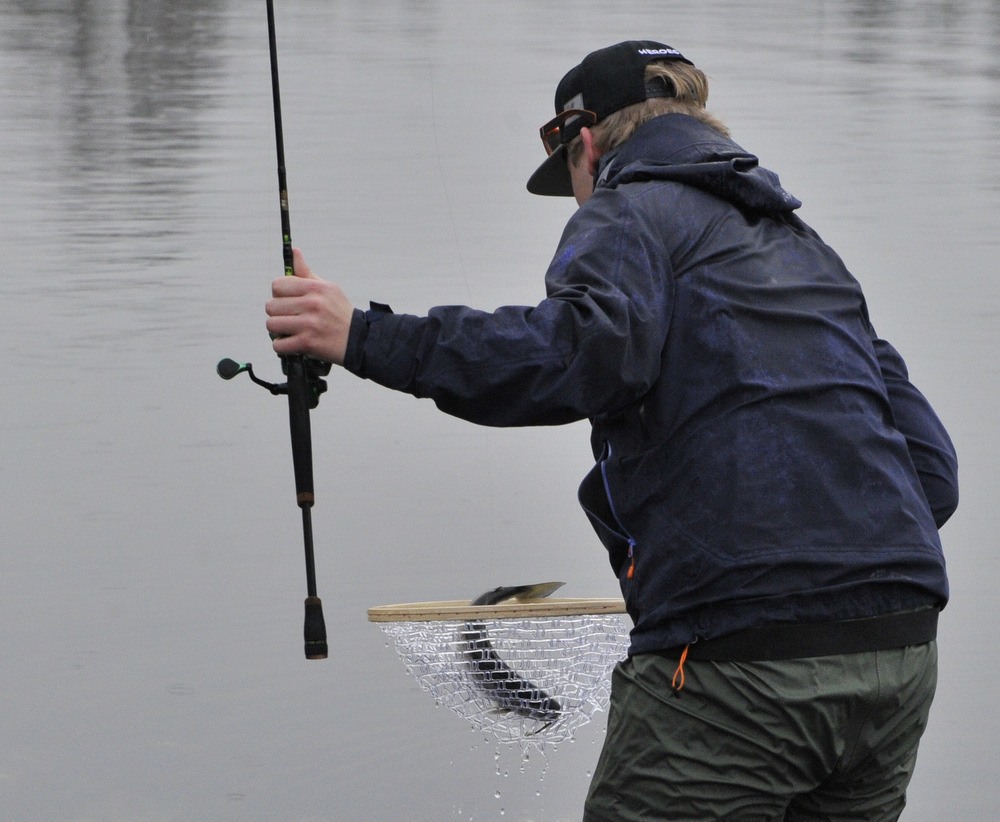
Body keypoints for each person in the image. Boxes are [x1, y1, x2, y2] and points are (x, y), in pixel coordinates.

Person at [266, 40, 958, 821]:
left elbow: (577, 355)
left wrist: (360, 337)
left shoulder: (628, 210)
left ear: (584, 142)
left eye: (568, 179)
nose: (575, 203)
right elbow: (932, 474)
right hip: (898, 658)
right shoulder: (811, 254)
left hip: (740, 664)